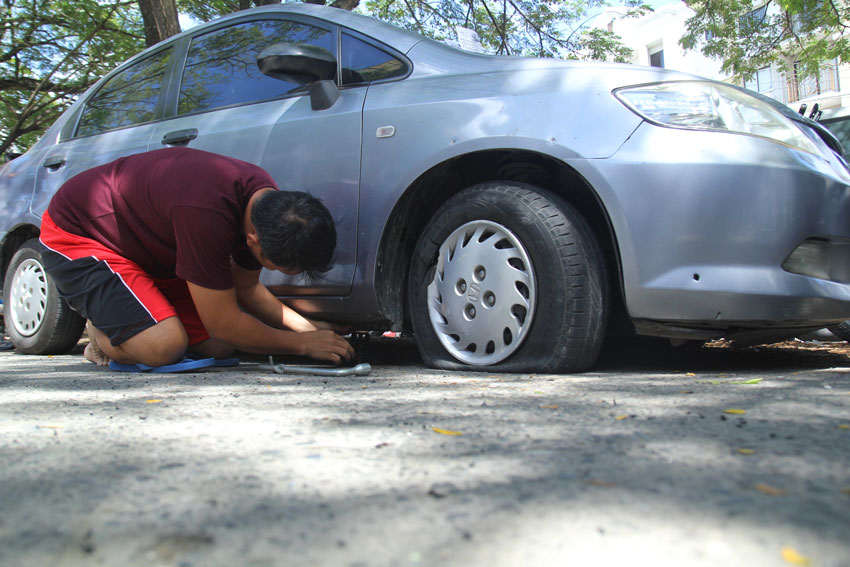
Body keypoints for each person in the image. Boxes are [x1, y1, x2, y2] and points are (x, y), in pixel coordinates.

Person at [39, 147, 354, 368]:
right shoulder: (206, 215)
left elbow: (245, 290)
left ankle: (133, 317)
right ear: (253, 241)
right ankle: (101, 332)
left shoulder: (268, 207)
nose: (277, 271)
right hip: (79, 236)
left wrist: (310, 329)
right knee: (164, 346)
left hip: (147, 252)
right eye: (279, 267)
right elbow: (224, 324)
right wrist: (303, 345)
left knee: (217, 349)